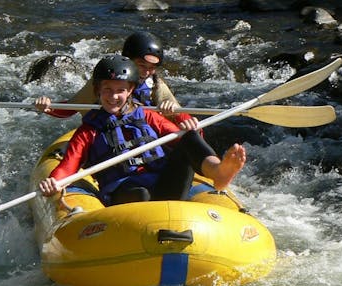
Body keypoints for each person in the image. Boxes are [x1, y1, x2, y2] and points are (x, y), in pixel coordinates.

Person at [38, 55, 246, 206]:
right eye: (107, 90)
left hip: (166, 187)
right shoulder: (89, 130)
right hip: (126, 193)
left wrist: (187, 125)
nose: (113, 96)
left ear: (130, 91)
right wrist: (54, 181)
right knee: (141, 194)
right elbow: (68, 166)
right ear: (98, 91)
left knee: (186, 136)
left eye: (120, 90)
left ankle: (218, 172)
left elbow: (186, 143)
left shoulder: (148, 116)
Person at [35, 31, 191, 125]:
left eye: (152, 68)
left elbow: (180, 115)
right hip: (104, 133)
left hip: (143, 135)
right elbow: (70, 108)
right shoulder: (105, 81)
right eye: (142, 65)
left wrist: (177, 115)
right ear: (128, 60)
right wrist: (48, 107)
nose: (146, 72)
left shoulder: (155, 84)